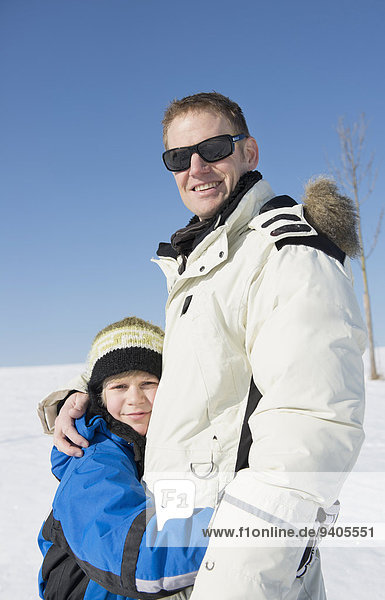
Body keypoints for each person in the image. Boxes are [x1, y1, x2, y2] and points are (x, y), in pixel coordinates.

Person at [38, 92, 366, 599]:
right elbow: (196, 377)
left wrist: (230, 585)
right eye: (178, 157)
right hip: (186, 564)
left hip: (234, 576)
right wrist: (81, 396)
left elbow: (308, 438)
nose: (196, 167)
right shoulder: (209, 258)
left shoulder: (283, 253)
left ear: (248, 152)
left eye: (213, 147)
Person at [38, 316, 212, 600]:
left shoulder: (146, 446)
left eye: (148, 383)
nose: (136, 398)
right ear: (99, 397)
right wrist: (243, 528)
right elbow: (139, 555)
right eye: (119, 386)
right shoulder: (92, 456)